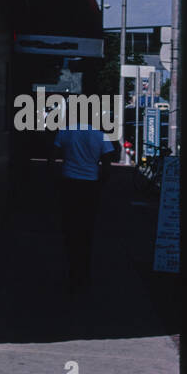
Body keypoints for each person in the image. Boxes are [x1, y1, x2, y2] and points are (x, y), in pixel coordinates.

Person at [54, 114, 119, 291]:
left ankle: (72, 269)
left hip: (69, 183)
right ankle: (84, 273)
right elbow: (107, 166)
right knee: (86, 228)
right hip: (90, 186)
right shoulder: (100, 136)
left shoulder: (65, 132)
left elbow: (53, 158)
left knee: (69, 227)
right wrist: (100, 184)